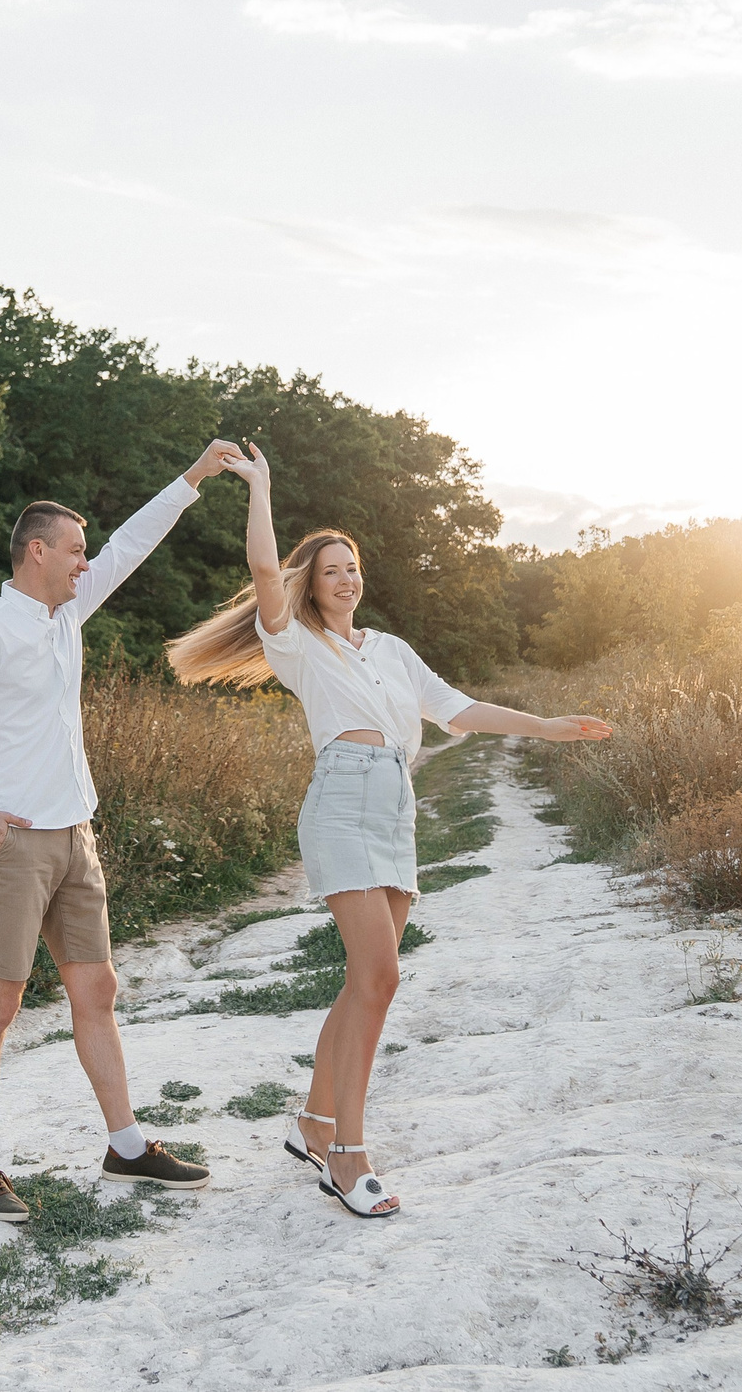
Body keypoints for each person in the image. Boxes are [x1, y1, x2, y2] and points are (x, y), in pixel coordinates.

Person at [166, 443, 611, 1219]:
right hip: (339, 802)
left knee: (362, 981)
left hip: (395, 806)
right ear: (313, 583)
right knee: (380, 978)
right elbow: (267, 576)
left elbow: (460, 710)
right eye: (331, 568)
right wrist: (261, 488)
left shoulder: (392, 651)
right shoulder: (296, 643)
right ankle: (346, 1153)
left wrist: (545, 725)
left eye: (352, 566)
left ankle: (312, 1118)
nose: (345, 577)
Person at [0, 439, 245, 1222]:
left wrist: (194, 477)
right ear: (37, 552)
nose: (86, 563)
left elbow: (130, 544)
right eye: (73, 550)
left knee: (97, 989)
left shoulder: (66, 616)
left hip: (74, 837)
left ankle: (126, 1145)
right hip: (13, 843)